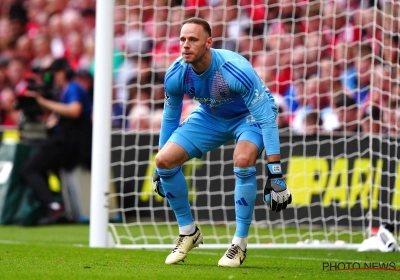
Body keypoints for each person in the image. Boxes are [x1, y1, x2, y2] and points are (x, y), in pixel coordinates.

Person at [152, 17, 292, 268]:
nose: (185, 45)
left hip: (248, 117)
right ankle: (188, 232)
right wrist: (158, 170)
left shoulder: (234, 68)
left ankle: (239, 243)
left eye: (192, 39)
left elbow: (268, 120)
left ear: (208, 43)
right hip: (211, 115)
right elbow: (170, 117)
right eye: (182, 39)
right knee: (164, 160)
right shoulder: (176, 73)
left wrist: (276, 175)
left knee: (243, 159)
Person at [21, 57, 93, 225]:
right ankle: (61, 206)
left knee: (30, 169)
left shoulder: (73, 88)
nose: (53, 78)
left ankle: (54, 206)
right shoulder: (66, 90)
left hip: (70, 143)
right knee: (47, 167)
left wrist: (42, 102)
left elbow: (75, 111)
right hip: (70, 142)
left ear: (63, 72)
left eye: (55, 73)